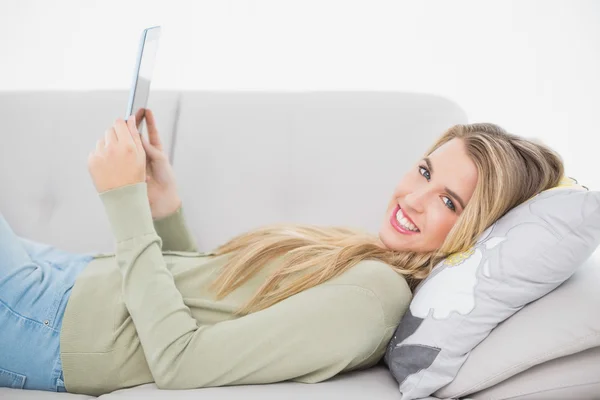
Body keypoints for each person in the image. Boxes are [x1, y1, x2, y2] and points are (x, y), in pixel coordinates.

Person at [0, 110, 564, 395]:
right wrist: (164, 208)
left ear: (480, 229)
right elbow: (214, 304)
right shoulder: (372, 262)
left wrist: (124, 203)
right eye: (424, 170)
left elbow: (182, 362)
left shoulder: (373, 298)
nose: (411, 198)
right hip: (71, 284)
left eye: (447, 200)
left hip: (50, 323)